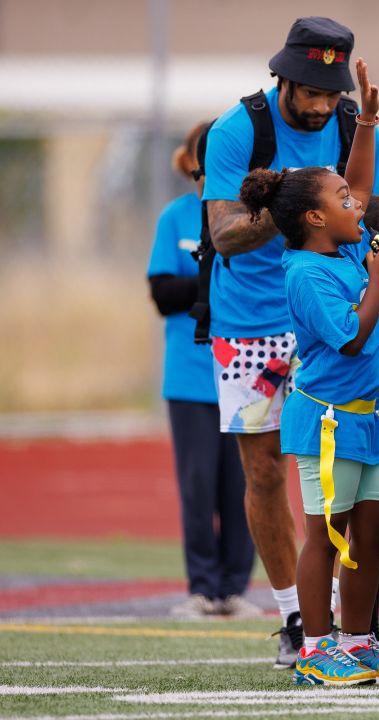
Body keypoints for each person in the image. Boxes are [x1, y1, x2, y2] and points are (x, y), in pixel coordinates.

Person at [200, 16, 379, 668]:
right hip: (250, 324)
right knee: (265, 472)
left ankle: (351, 626)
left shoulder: (348, 121)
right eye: (310, 91)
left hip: (335, 309)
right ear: (282, 78)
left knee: (351, 481)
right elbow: (224, 233)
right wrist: (286, 204)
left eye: (329, 92)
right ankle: (295, 617)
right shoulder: (239, 131)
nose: (320, 105)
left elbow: (374, 205)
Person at [146, 121, 257, 619]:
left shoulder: (254, 219)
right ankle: (203, 587)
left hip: (250, 368)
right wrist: (213, 283)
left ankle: (235, 586)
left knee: (246, 482)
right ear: (193, 163)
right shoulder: (175, 218)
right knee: (197, 483)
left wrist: (208, 286)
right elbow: (162, 293)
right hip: (190, 377)